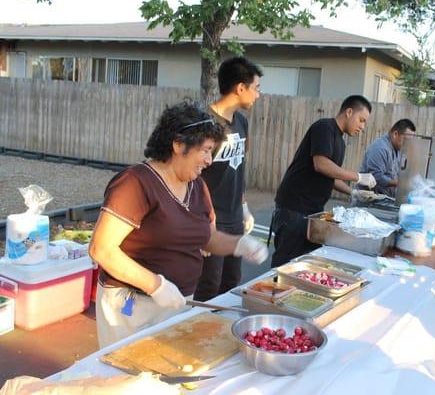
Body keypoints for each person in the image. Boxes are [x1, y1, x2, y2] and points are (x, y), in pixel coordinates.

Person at [90, 101, 269, 348]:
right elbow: (102, 249)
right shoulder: (136, 183)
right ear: (178, 144)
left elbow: (207, 237)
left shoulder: (197, 186)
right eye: (205, 150)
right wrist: (156, 285)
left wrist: (239, 244)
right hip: (132, 306)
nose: (209, 160)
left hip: (179, 302)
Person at [270, 95, 377, 268]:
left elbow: (330, 176)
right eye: (361, 120)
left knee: (308, 265)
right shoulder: (324, 127)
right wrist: (358, 177)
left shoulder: (340, 143)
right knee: (284, 266)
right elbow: (321, 164)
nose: (362, 127)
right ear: (349, 112)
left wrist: (354, 192)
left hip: (314, 211)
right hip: (294, 208)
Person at [194, 57, 263, 302]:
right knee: (208, 287)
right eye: (256, 88)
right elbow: (192, 177)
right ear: (240, 88)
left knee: (231, 283)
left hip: (235, 217)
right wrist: (199, 224)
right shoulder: (206, 123)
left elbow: (239, 169)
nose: (258, 95)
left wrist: (244, 207)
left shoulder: (242, 122)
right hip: (211, 219)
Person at [357, 118, 416, 197]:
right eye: (406, 140)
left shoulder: (398, 149)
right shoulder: (380, 148)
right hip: (367, 201)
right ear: (395, 134)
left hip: (384, 199)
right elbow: (375, 177)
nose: (407, 144)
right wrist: (400, 183)